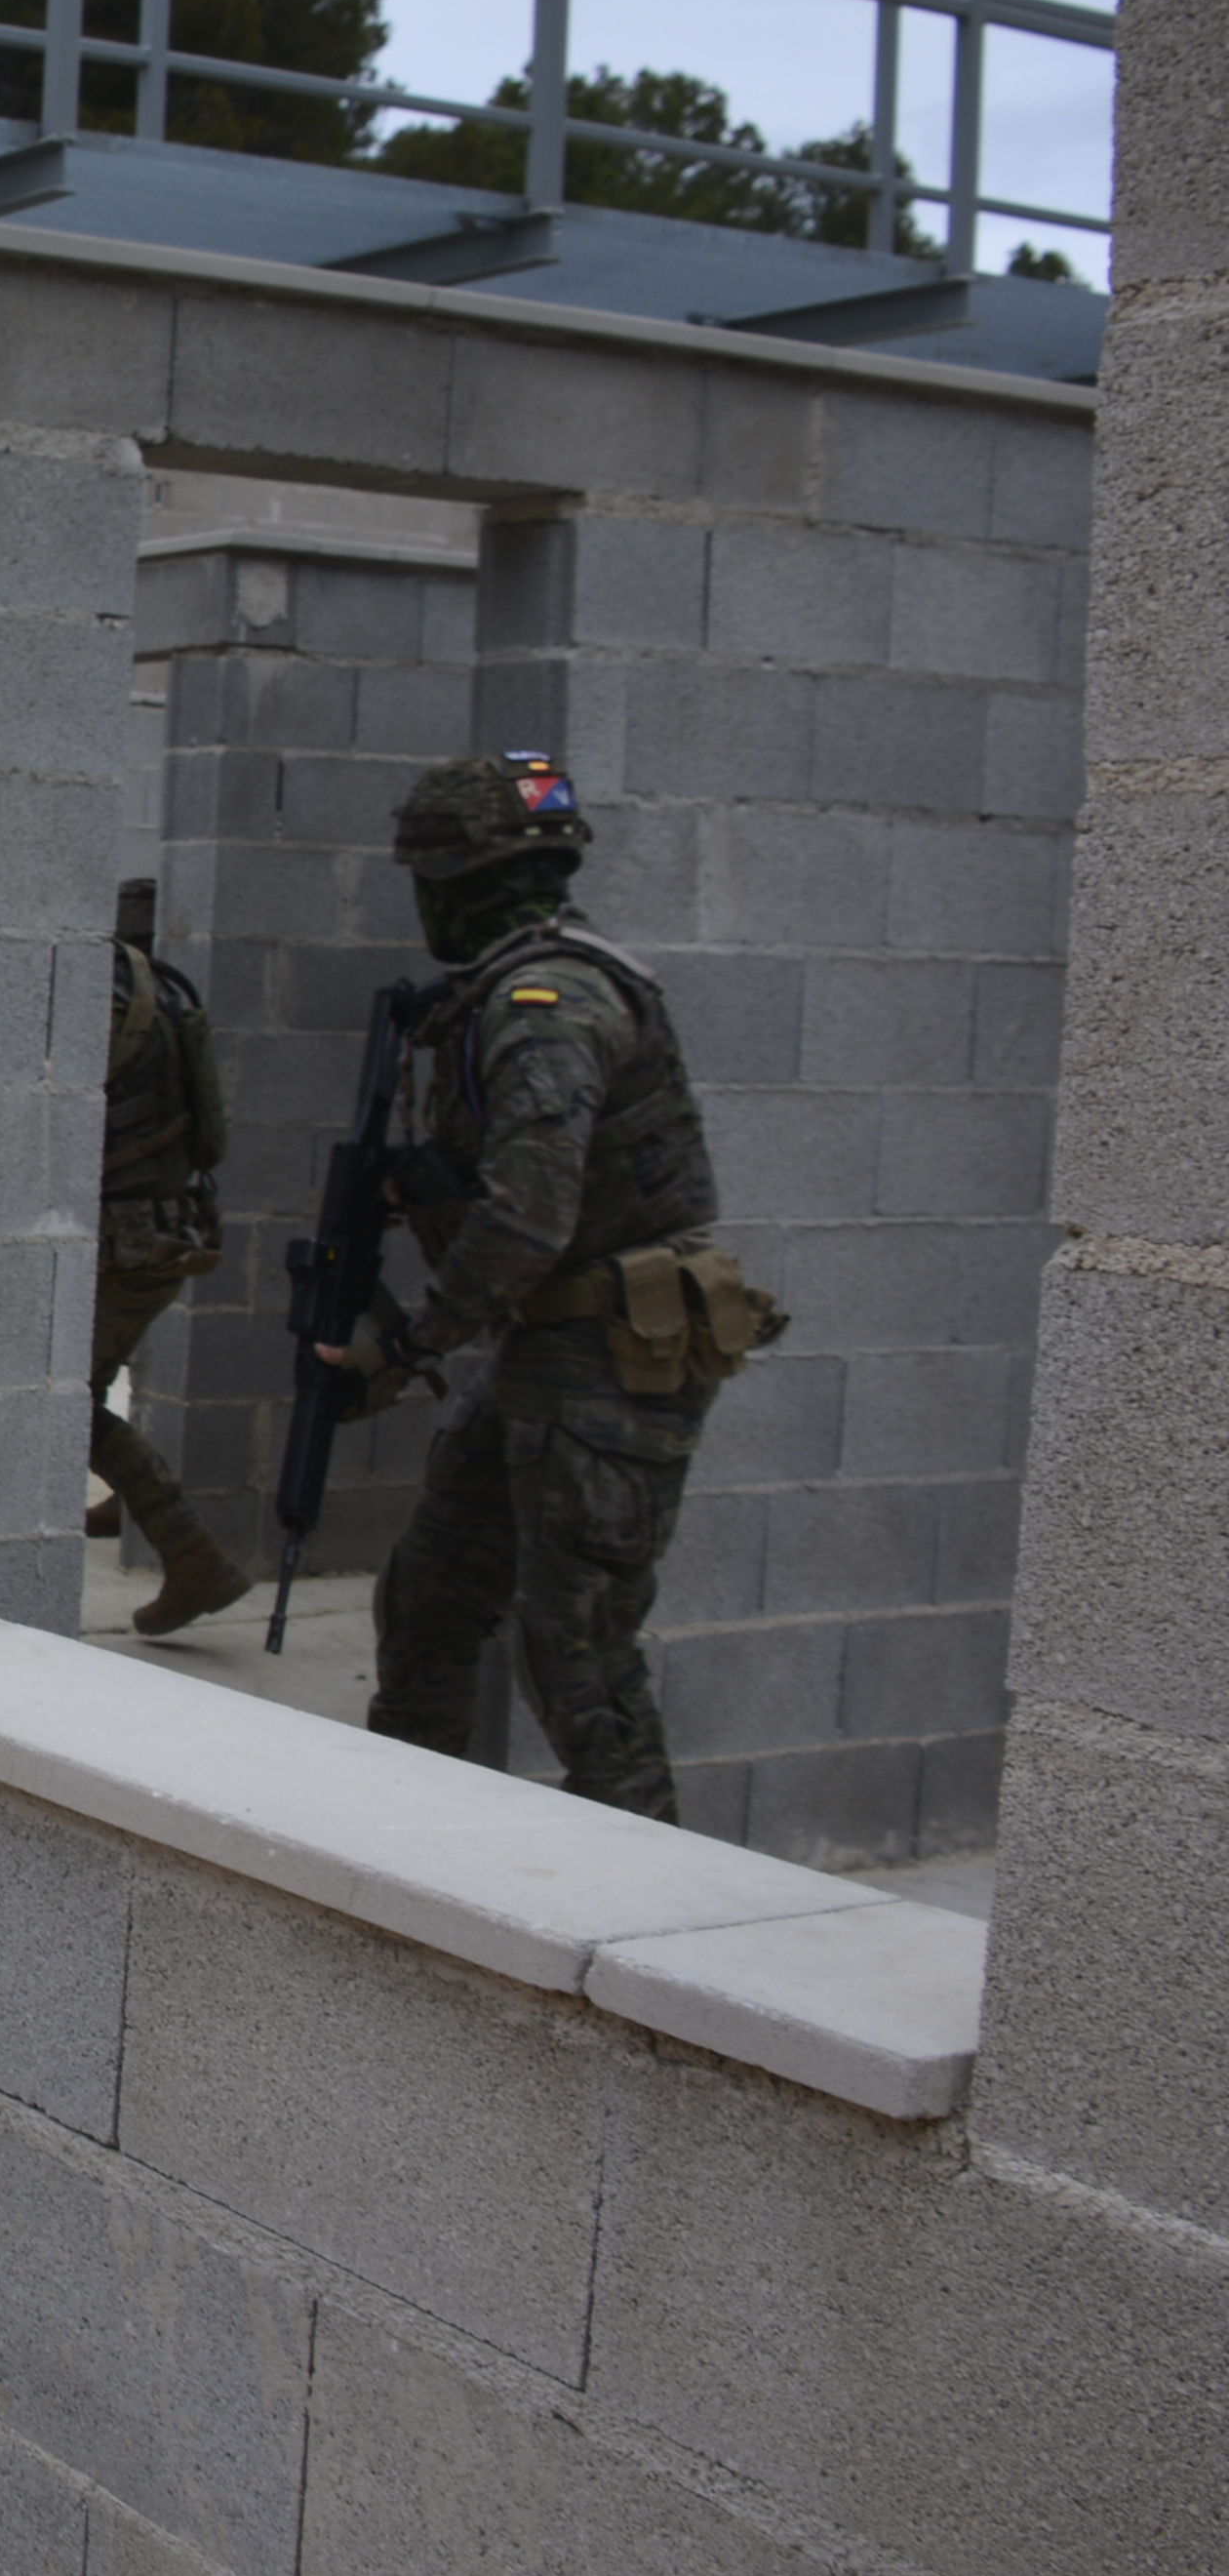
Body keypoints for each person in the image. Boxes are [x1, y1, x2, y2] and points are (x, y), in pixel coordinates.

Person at [327, 754, 778, 1823]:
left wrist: (408, 1347)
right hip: (543, 1346)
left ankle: (645, 1901)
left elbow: (528, 1216)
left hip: (604, 1362)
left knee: (575, 1649)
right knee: (431, 1599)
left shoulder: (543, 1005)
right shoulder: (509, 993)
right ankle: (398, 1843)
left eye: (426, 876)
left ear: (466, 878)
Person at [89, 885, 247, 1635]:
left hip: (118, 1238)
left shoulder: (106, 996)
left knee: (68, 1406)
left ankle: (193, 1558)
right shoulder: (171, 992)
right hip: (166, 1229)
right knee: (98, 1371)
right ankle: (129, 1499)